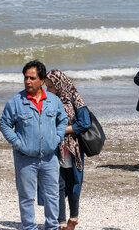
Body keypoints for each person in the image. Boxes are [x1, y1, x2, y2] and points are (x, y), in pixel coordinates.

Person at [0, 60, 68, 230]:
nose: (27, 81)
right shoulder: (15, 102)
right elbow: (4, 124)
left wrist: (57, 137)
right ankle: (29, 227)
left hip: (49, 157)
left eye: (32, 78)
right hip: (25, 159)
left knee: (52, 195)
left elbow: (63, 120)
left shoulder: (53, 101)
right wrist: (17, 143)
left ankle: (52, 226)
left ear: (42, 80)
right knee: (26, 197)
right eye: (25, 78)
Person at [44, 69, 91, 230]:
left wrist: (64, 130)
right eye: (46, 87)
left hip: (72, 148)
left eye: (50, 87)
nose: (48, 90)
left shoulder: (74, 97)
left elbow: (85, 123)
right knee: (58, 184)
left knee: (74, 183)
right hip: (55, 147)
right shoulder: (49, 100)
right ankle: (61, 222)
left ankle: (74, 217)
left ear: (59, 84)